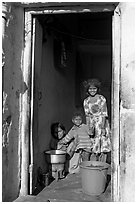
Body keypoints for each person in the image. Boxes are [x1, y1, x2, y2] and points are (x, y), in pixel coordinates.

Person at [83, 78, 111, 162]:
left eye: (94, 88)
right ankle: (94, 165)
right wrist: (89, 128)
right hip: (92, 124)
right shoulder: (86, 101)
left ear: (97, 89)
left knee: (103, 145)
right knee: (93, 145)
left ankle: (102, 164)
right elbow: (87, 115)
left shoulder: (101, 99)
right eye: (90, 89)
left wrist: (102, 127)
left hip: (101, 123)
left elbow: (104, 114)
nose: (92, 90)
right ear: (87, 90)